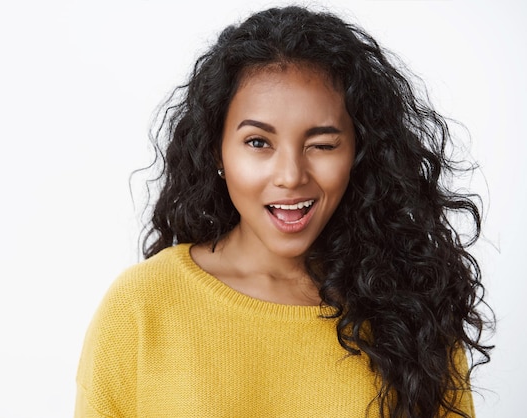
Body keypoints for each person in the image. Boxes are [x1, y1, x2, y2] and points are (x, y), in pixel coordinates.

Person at [74, 6, 493, 417]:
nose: (291, 176)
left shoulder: (413, 313)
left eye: (323, 144)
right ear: (216, 150)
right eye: (258, 142)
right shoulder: (141, 308)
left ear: (359, 154)